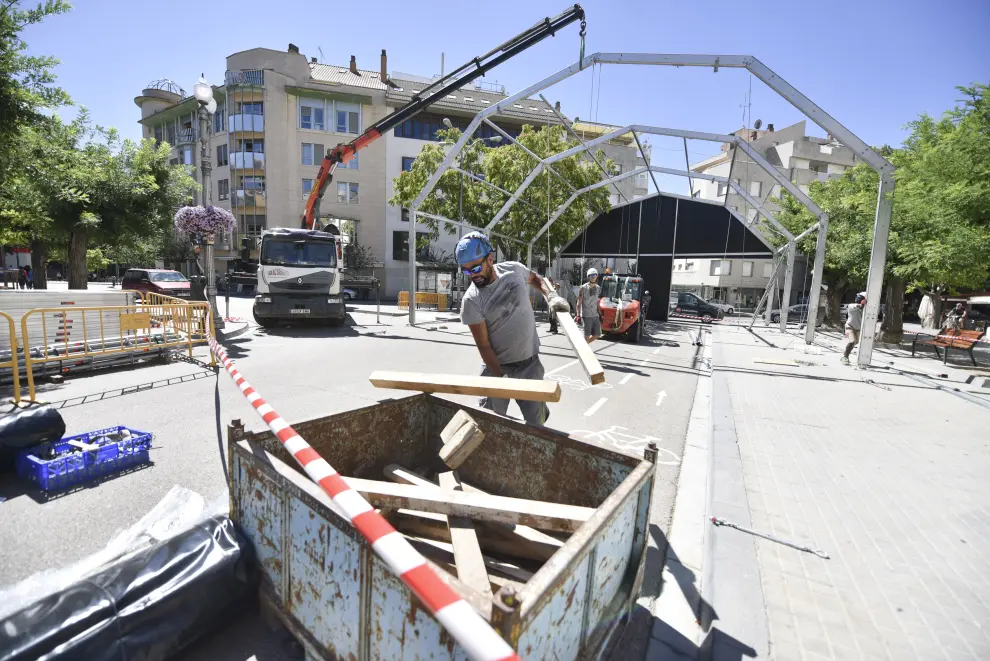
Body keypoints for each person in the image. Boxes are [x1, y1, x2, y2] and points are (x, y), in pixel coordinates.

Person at [457, 231, 569, 426]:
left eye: (475, 268)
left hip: (530, 366)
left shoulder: (513, 270)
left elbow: (535, 279)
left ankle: (539, 408)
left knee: (537, 427)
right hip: (498, 368)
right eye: (466, 271)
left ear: (490, 259)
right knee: (489, 424)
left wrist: (550, 296)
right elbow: (484, 346)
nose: (472, 275)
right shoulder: (472, 300)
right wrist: (501, 377)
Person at [575, 268, 602, 343]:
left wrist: (600, 314)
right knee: (587, 336)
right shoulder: (583, 288)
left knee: (598, 334)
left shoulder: (598, 288)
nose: (593, 277)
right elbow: (579, 302)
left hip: (595, 315)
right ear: (588, 277)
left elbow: (597, 302)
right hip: (587, 315)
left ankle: (583, 347)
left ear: (597, 276)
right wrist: (578, 315)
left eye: (594, 275)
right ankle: (584, 350)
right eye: (591, 275)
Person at [841, 292, 867, 365]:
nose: (857, 298)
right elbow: (860, 306)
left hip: (859, 329)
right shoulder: (851, 305)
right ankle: (845, 357)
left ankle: (846, 352)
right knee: (852, 341)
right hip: (849, 327)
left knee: (856, 342)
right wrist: (863, 303)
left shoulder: (866, 307)